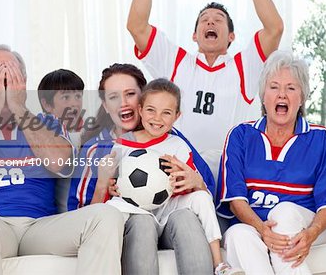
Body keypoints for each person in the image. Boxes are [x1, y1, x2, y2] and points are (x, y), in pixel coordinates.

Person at [0, 45, 124, 275]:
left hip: (39, 228)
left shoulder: (49, 123)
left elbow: (61, 163)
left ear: (23, 82)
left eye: (10, 75)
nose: (4, 83)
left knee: (106, 216)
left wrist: (18, 106)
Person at [127, 0, 284, 152]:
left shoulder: (244, 65)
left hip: (228, 169)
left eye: (218, 19)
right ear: (194, 35)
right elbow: (136, 26)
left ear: (231, 36)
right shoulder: (176, 61)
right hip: (178, 168)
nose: (210, 20)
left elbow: (275, 28)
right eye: (204, 19)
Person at [67, 63, 216, 274]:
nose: (123, 103)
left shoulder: (172, 140)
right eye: (113, 97)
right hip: (131, 226)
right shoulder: (96, 150)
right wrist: (103, 186)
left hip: (168, 224)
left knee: (186, 218)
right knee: (142, 222)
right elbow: (79, 221)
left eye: (130, 94)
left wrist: (195, 182)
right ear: (105, 104)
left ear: (143, 98)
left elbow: (208, 194)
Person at [215, 51, 326, 274]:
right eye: (274, 87)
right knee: (238, 234)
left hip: (306, 227)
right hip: (255, 226)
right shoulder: (240, 136)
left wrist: (311, 233)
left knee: (283, 213)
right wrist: (262, 229)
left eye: (291, 88)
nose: (282, 95)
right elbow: (236, 200)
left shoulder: (321, 139)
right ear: (263, 96)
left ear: (302, 97)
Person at [107, 78, 244, 275]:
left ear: (177, 116)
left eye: (166, 113)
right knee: (112, 206)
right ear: (140, 110)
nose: (157, 118)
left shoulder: (177, 145)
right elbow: (113, 182)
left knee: (202, 197)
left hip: (169, 210)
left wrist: (194, 182)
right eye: (151, 110)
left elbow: (189, 183)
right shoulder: (122, 145)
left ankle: (219, 264)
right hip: (137, 212)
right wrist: (113, 187)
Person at [38, 69, 85, 150]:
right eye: (66, 97)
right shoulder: (40, 133)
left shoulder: (87, 131)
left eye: (78, 96)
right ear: (46, 105)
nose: (75, 103)